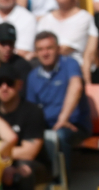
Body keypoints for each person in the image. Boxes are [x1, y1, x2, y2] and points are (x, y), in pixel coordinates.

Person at [26, 30, 88, 175]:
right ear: (36, 53)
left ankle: (61, 184)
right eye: (40, 49)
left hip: (74, 125)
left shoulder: (70, 64)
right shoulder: (33, 76)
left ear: (58, 49)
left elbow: (76, 86)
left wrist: (63, 119)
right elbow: (31, 109)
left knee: (58, 136)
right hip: (47, 126)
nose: (45, 53)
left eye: (49, 48)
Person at [0, 70, 47, 190]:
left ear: (19, 85)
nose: (4, 87)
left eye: (9, 83)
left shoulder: (32, 111)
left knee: (24, 169)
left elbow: (29, 152)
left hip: (35, 165)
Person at [36, 0, 98, 76]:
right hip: (48, 69)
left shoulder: (85, 18)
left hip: (76, 70)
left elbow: (66, 49)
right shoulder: (45, 19)